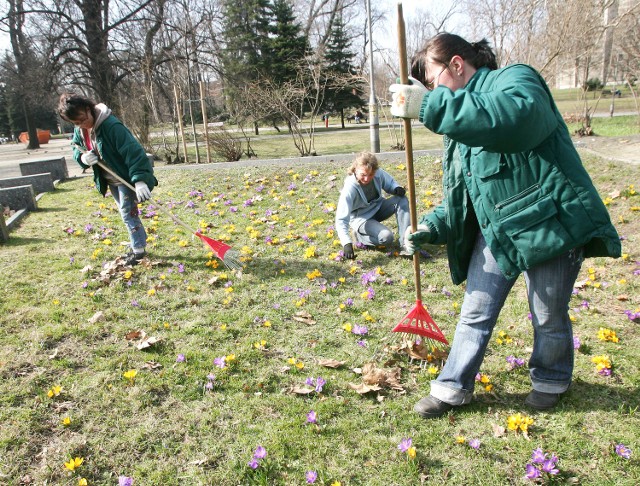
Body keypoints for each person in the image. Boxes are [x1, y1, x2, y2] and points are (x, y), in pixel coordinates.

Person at [389, 33, 621, 418]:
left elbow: (512, 119)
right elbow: (463, 200)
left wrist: (431, 105)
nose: (429, 92)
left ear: (457, 65)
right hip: (498, 232)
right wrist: (431, 226)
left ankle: (550, 378)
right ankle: (452, 387)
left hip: (550, 223)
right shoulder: (458, 132)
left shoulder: (515, 80)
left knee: (547, 313)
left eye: (430, 82)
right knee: (475, 311)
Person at [58, 93, 158, 266]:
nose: (81, 125)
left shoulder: (111, 126)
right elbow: (76, 147)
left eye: (83, 120)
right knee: (126, 213)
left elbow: (133, 152)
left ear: (88, 109)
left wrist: (140, 179)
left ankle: (138, 251)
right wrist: (82, 159)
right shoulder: (80, 130)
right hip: (110, 180)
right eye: (76, 123)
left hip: (125, 178)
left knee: (128, 213)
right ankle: (139, 243)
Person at [335, 151, 411, 260]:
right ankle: (359, 237)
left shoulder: (378, 173)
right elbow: (341, 219)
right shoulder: (349, 188)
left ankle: (405, 244)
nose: (367, 178)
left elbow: (390, 183)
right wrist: (347, 243)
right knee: (386, 238)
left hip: (378, 208)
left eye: (370, 175)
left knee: (401, 199)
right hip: (361, 219)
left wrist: (396, 188)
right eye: (363, 175)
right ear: (355, 170)